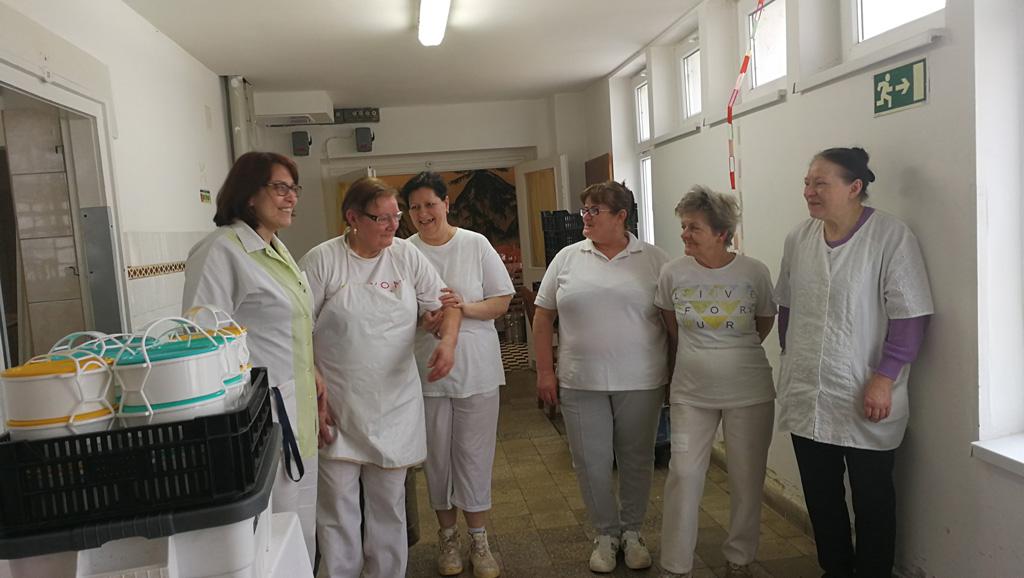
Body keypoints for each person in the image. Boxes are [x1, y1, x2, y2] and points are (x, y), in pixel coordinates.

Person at [775, 147, 933, 578]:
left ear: (854, 187)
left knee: (873, 498)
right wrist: (791, 360)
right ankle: (835, 570)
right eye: (807, 183)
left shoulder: (890, 237)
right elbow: (787, 306)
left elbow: (910, 315)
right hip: (808, 389)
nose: (809, 191)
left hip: (866, 389)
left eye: (820, 183)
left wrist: (884, 378)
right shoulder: (799, 238)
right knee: (821, 495)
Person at [300, 176, 459, 578]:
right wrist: (311, 378)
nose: (393, 226)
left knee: (389, 507)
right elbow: (295, 329)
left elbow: (445, 305)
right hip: (337, 406)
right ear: (353, 218)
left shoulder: (405, 255)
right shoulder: (322, 260)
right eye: (381, 218)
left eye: (396, 216)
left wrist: (444, 339)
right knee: (338, 510)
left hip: (393, 405)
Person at [182, 151, 323, 567]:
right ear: (248, 194)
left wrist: (314, 375)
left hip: (299, 412)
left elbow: (286, 330)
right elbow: (202, 341)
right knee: (272, 540)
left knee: (301, 531)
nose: (291, 198)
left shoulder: (275, 248)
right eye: (280, 188)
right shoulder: (221, 251)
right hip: (261, 419)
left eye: (294, 189)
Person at [533, 181, 669, 574]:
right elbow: (543, 317)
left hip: (641, 380)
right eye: (585, 210)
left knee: (636, 459)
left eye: (595, 210)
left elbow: (672, 323)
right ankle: (606, 534)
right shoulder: (568, 258)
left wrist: (675, 374)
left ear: (621, 215)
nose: (586, 218)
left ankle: (633, 532)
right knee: (590, 463)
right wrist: (545, 371)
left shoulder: (654, 260)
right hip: (580, 380)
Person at [656, 186, 777, 578]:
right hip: (690, 393)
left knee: (746, 478)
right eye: (684, 226)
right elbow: (671, 326)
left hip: (749, 393)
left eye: (694, 227)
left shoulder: (754, 272)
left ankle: (739, 558)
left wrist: (728, 354)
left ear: (721, 233)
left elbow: (763, 323)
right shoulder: (673, 272)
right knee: (684, 474)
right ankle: (676, 565)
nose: (685, 234)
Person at [401, 171, 514, 578]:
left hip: (476, 368)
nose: (423, 213)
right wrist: (424, 320)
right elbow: (394, 314)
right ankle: (447, 538)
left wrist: (462, 308)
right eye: (414, 207)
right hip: (426, 371)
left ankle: (479, 539)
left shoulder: (474, 244)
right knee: (437, 459)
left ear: (446, 204)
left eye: (430, 204)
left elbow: (500, 301)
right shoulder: (403, 252)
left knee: (475, 455)